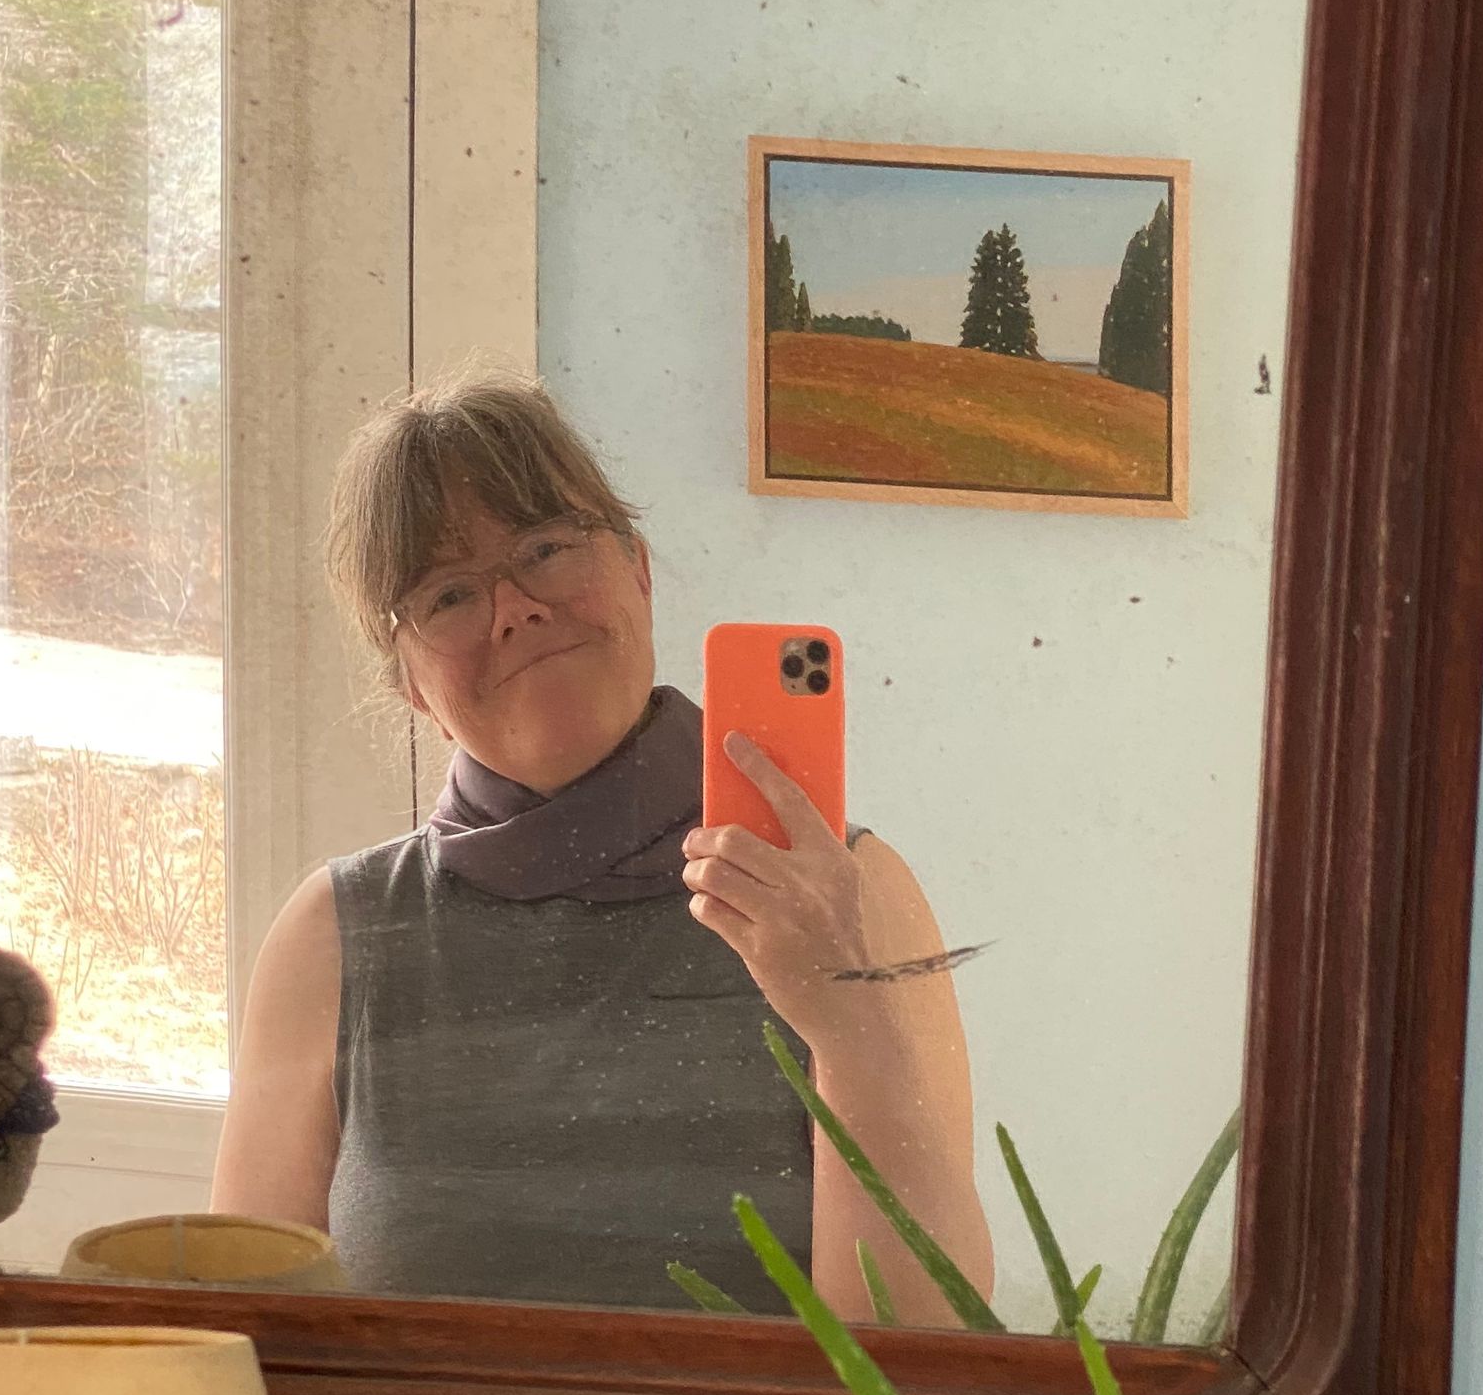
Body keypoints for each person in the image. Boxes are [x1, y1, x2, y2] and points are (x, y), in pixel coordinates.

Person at [210, 372, 991, 1321]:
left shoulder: (845, 888)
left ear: (639, 570)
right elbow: (239, 1345)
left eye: (545, 548)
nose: (513, 608)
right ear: (411, 684)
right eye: (448, 595)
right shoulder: (334, 936)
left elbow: (930, 1347)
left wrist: (847, 1018)